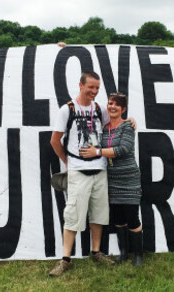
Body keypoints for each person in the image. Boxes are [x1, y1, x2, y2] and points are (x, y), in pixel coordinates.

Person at [48, 71, 116, 276]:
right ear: (80, 85)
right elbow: (55, 140)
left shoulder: (99, 109)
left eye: (97, 88)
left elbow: (113, 123)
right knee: (73, 215)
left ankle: (95, 252)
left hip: (100, 169)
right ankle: (65, 259)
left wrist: (128, 120)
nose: (94, 91)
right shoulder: (67, 110)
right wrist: (68, 162)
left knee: (98, 214)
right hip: (78, 171)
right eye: (91, 87)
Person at [80, 92, 144, 266]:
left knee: (132, 217)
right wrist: (90, 131)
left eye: (117, 104)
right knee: (118, 218)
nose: (112, 106)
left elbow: (123, 149)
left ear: (123, 109)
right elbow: (92, 146)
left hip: (129, 179)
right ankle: (124, 253)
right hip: (111, 180)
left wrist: (98, 152)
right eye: (110, 103)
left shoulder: (127, 126)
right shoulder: (103, 127)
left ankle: (138, 255)